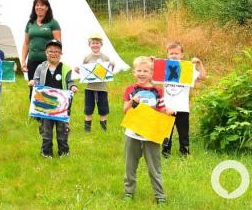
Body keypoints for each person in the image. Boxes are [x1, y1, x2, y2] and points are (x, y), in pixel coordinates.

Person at [123, 56, 173, 203]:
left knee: (154, 168)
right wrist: (133, 101)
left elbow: (162, 109)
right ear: (134, 72)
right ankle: (128, 192)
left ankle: (160, 196)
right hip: (132, 134)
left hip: (151, 135)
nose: (142, 73)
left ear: (152, 74)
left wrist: (168, 111)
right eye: (139, 70)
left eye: (145, 71)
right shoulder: (130, 90)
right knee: (130, 166)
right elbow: (125, 110)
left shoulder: (158, 91)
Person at [28, 39, 78, 157]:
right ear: (46, 53)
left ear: (61, 54)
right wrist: (33, 82)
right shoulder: (41, 67)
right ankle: (46, 152)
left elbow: (70, 82)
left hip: (62, 106)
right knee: (46, 130)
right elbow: (36, 80)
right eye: (50, 51)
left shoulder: (66, 68)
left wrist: (73, 87)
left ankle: (64, 152)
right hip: (45, 106)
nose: (53, 54)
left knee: (62, 130)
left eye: (56, 51)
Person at [158, 41, 207, 158]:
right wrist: (152, 62)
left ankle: (184, 152)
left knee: (183, 133)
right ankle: (165, 152)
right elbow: (150, 74)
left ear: (182, 55)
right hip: (167, 106)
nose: (173, 55)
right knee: (166, 132)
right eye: (171, 53)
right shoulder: (164, 68)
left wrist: (199, 64)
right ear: (167, 55)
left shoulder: (187, 69)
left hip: (182, 107)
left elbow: (203, 77)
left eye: (176, 53)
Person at [21, 0, 61, 102]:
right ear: (34, 7)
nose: (39, 7)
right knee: (33, 86)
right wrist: (23, 61)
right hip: (32, 60)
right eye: (37, 5)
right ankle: (35, 115)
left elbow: (58, 43)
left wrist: (56, 58)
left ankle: (48, 113)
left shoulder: (53, 23)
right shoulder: (30, 23)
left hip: (48, 61)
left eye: (42, 5)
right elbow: (26, 44)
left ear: (47, 7)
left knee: (47, 86)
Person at [74, 32, 114, 132]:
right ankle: (87, 130)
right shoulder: (87, 58)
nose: (95, 45)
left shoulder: (106, 58)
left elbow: (109, 74)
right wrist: (78, 70)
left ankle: (103, 129)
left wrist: (113, 65)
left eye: (97, 43)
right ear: (89, 45)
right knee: (88, 109)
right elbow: (84, 74)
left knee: (103, 109)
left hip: (102, 88)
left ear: (101, 44)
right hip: (90, 88)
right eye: (93, 43)